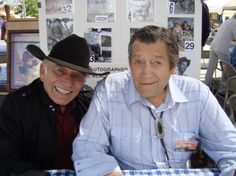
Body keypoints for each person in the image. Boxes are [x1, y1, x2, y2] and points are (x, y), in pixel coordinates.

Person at [72, 25, 236, 176]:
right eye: (138, 62)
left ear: (172, 67)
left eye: (156, 62)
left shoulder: (197, 94)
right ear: (130, 64)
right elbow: (87, 146)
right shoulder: (110, 91)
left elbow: (230, 147)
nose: (146, 72)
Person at [0, 34, 108, 176]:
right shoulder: (16, 106)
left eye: (77, 75)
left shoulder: (89, 102)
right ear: (43, 72)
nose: (68, 82)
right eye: (60, 71)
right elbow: (5, 162)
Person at [204, 13, 236, 87]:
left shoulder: (227, 22)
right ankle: (223, 88)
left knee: (210, 69)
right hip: (222, 48)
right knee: (226, 71)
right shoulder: (234, 23)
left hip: (214, 45)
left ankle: (206, 85)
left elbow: (225, 38)